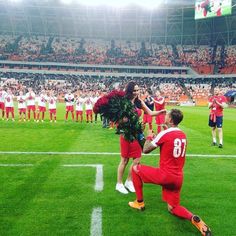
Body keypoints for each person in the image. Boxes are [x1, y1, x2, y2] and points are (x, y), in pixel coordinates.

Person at [128, 109, 211, 236]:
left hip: (165, 175)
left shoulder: (164, 133)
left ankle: (139, 203)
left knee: (135, 168)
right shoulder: (183, 134)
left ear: (171, 120)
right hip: (178, 178)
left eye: (167, 115)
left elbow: (145, 149)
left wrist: (149, 136)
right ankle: (194, 219)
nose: (164, 116)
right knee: (172, 208)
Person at [116, 81, 166, 194]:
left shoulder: (139, 102)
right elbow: (117, 119)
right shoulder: (124, 102)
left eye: (138, 90)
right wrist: (122, 121)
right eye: (134, 90)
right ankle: (119, 184)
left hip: (137, 133)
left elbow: (150, 112)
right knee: (124, 159)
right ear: (129, 91)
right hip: (126, 133)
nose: (137, 92)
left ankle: (129, 181)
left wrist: (161, 112)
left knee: (137, 159)